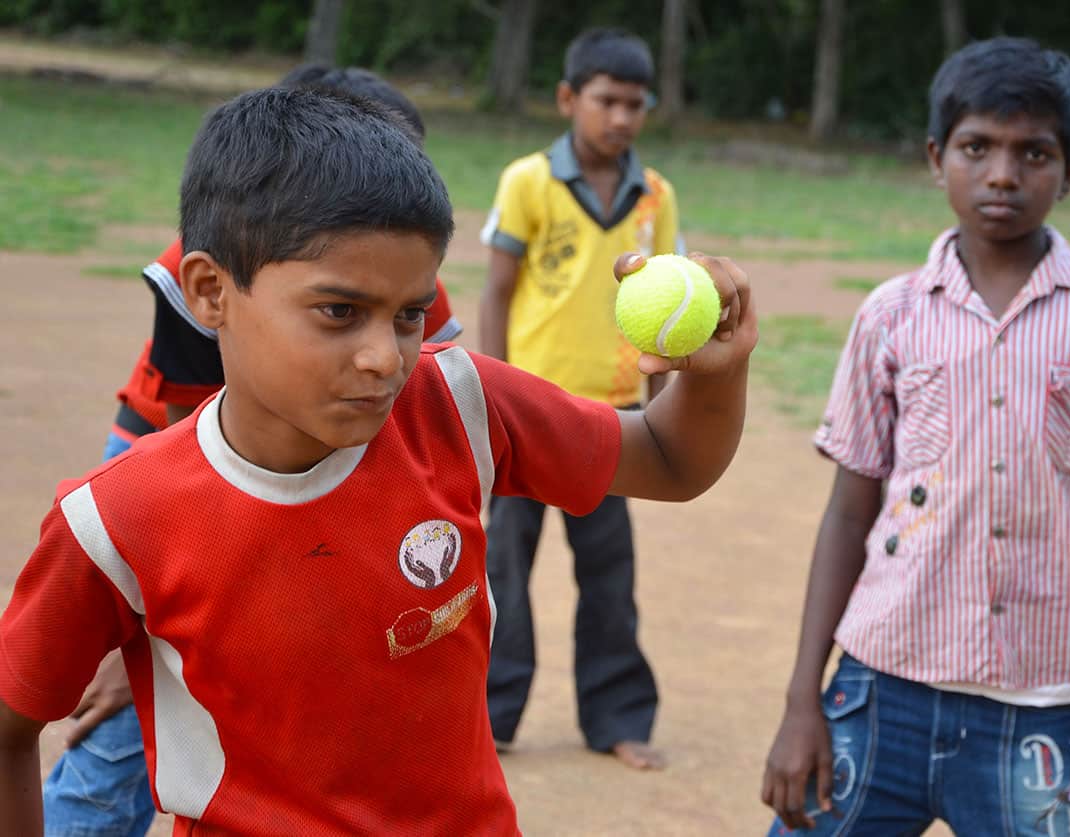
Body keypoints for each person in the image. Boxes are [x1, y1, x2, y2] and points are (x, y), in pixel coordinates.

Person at [0, 87, 756, 833]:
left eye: (409, 315)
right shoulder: (114, 517)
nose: (383, 357)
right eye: (339, 311)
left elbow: (667, 458)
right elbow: (10, 725)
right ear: (209, 291)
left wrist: (715, 369)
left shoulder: (459, 402)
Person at [761, 37, 1070, 836]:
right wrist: (801, 701)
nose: (1002, 174)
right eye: (977, 148)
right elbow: (849, 513)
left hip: (1041, 710)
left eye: (1034, 152)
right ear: (937, 156)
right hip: (878, 690)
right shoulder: (891, 314)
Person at [40, 65, 463, 837]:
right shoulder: (205, 265)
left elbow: (428, 422)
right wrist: (138, 631)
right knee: (128, 722)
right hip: (177, 444)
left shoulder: (396, 277)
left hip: (319, 452)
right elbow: (195, 463)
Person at [478, 27, 683, 771]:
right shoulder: (527, 181)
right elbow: (498, 293)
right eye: (606, 101)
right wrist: (489, 399)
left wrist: (661, 416)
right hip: (525, 416)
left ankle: (619, 717)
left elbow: (669, 313)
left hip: (612, 420)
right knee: (503, 571)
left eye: (635, 104)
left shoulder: (656, 196)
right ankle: (492, 718)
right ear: (569, 99)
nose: (622, 118)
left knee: (609, 576)